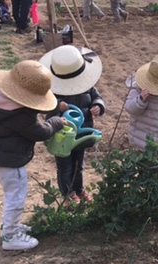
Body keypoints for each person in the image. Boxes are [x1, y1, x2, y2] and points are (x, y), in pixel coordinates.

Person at [0, 60, 68, 250]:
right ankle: (11, 237)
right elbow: (41, 132)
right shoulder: (20, 115)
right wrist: (55, 122)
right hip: (10, 160)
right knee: (16, 196)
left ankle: (10, 227)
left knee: (11, 192)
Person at [39, 45, 105, 204]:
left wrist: (98, 106)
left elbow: (97, 97)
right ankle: (68, 193)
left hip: (81, 133)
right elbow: (43, 104)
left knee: (79, 165)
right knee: (65, 166)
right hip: (61, 136)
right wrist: (58, 105)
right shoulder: (52, 89)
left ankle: (80, 189)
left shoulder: (88, 86)